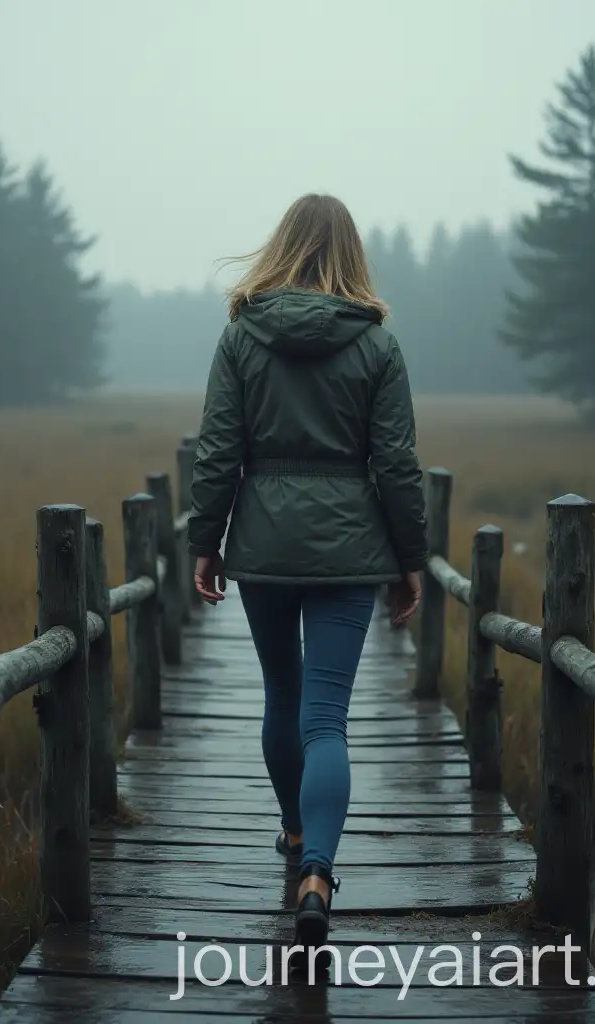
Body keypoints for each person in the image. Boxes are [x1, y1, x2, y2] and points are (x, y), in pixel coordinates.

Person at [186, 193, 427, 951]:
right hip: (351, 550)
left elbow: (218, 450)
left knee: (281, 695)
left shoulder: (241, 335)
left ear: (281, 245)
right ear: (352, 253)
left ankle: (293, 837)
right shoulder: (378, 345)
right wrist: (410, 559)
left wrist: (206, 538)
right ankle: (320, 873)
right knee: (327, 716)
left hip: (263, 547)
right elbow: (396, 465)